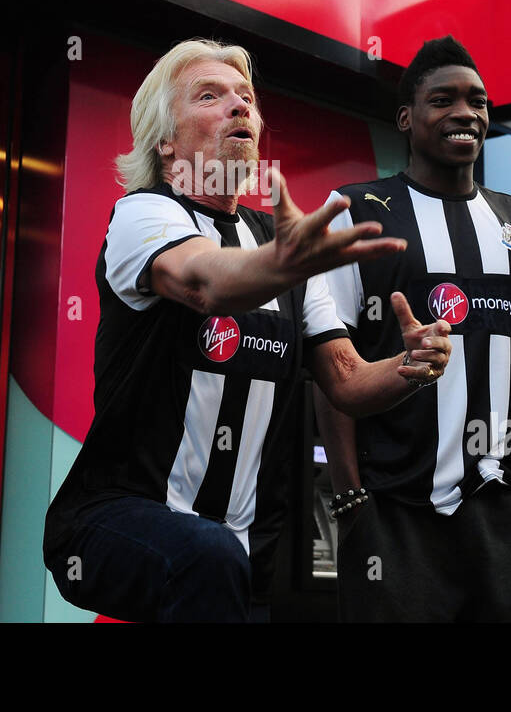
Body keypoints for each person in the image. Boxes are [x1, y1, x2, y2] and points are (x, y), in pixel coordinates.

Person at [42, 38, 453, 622]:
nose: (239, 107)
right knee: (206, 555)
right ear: (164, 140)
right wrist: (285, 264)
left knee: (222, 561)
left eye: (246, 98)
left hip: (245, 551)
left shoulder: (279, 248)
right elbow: (205, 282)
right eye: (209, 96)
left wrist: (412, 367)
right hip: (117, 519)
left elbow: (347, 380)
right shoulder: (143, 214)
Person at [316, 36, 511, 622]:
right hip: (398, 513)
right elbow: (329, 366)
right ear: (406, 118)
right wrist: (352, 499)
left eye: (478, 102)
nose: (466, 113)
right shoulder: (357, 209)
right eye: (444, 100)